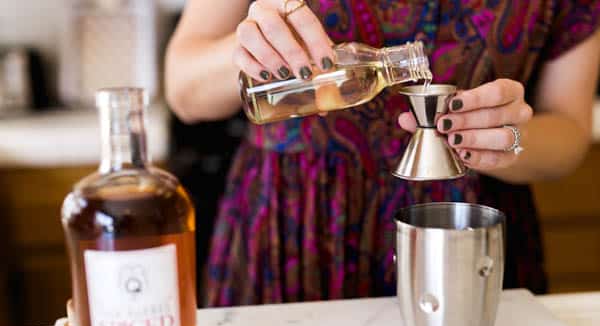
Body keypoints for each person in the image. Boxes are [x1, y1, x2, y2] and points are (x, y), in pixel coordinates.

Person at [166, 0, 600, 306]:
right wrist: (249, 52)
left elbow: (569, 130)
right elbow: (183, 91)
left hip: (466, 238)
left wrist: (504, 141)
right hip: (295, 228)